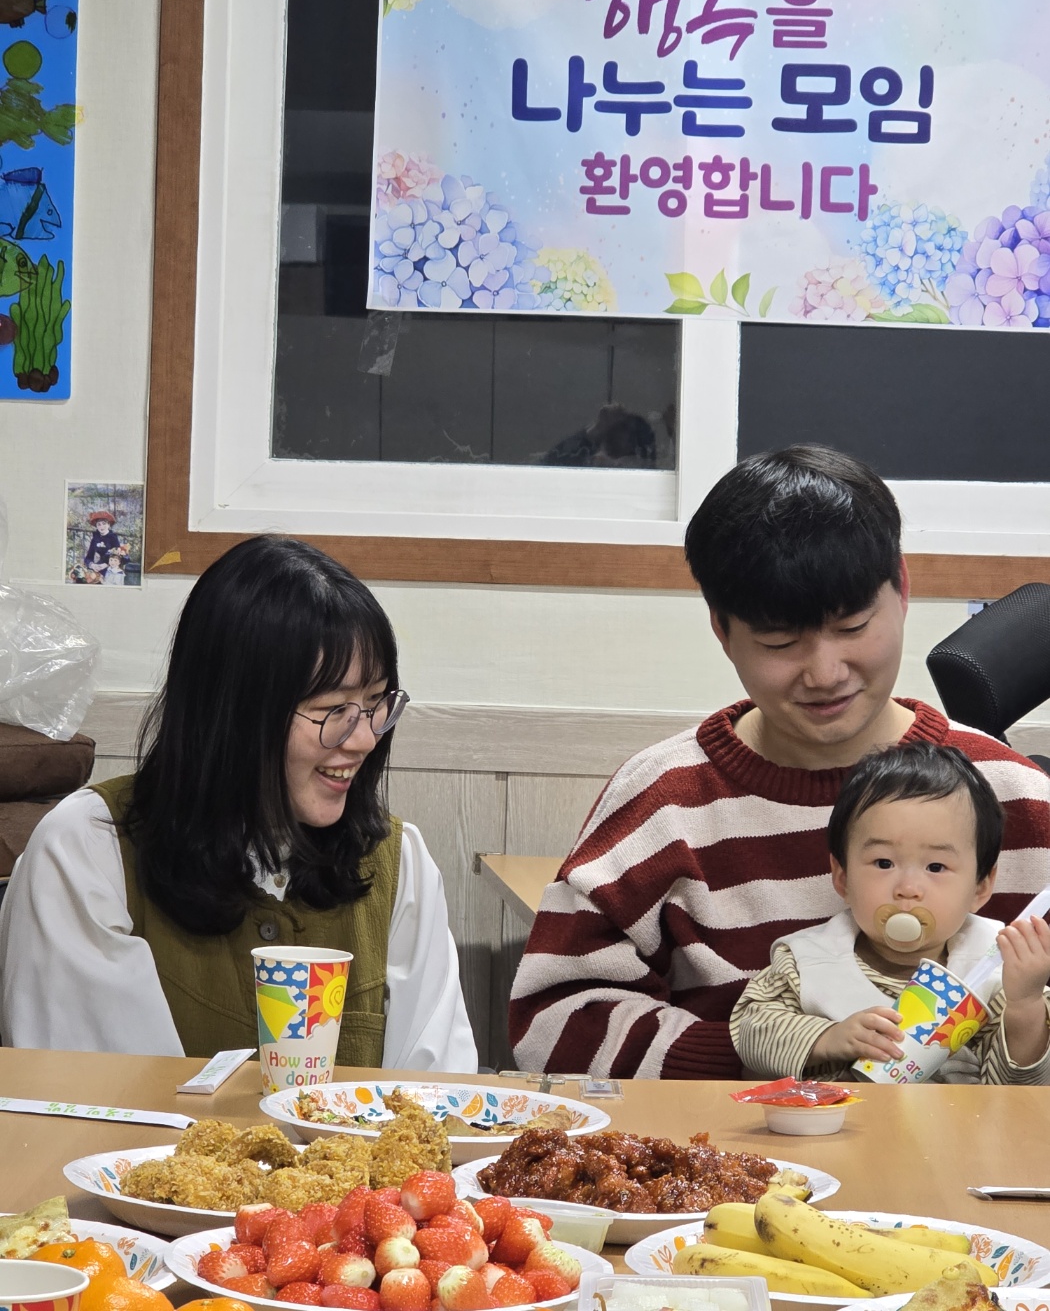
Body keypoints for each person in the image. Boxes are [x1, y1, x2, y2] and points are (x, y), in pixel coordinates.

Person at [509, 445, 1050, 1080]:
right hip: (726, 1139)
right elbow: (552, 1022)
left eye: (853, 627)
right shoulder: (667, 801)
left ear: (902, 589)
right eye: (780, 641)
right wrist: (767, 1058)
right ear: (722, 630)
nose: (825, 672)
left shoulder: (1015, 798)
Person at [0, 535, 479, 1071]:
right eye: (332, 710)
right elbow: (99, 1097)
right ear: (233, 714)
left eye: (375, 703)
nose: (365, 739)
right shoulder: (88, 850)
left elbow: (434, 1092)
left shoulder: (397, 860)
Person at [731, 742, 1050, 1084]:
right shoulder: (807, 961)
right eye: (883, 863)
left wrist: (1025, 1005)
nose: (908, 888)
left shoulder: (999, 969)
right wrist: (827, 1038)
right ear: (843, 877)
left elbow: (1020, 1089)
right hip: (835, 1117)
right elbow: (749, 1031)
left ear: (980, 887)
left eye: (936, 866)